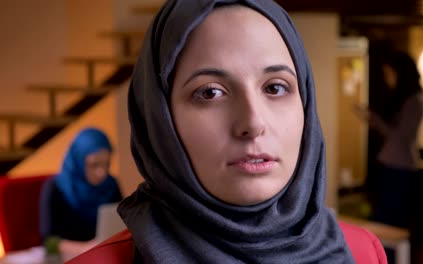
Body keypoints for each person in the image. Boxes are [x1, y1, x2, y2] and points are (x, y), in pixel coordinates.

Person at [67, 1, 386, 263]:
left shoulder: (362, 253)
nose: (252, 123)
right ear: (159, 121)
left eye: (275, 87)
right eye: (210, 93)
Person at [355, 51, 423, 228]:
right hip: (393, 165)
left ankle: (390, 256)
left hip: (400, 167)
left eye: (389, 74)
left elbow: (399, 136)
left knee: (390, 220)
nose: (388, 80)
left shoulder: (414, 102)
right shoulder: (405, 100)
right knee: (385, 217)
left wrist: (375, 120)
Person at [39, 127, 123, 259]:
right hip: (69, 259)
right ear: (78, 160)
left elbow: (120, 224)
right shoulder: (54, 187)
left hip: (103, 257)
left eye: (106, 164)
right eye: (94, 165)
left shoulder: (110, 184)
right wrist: (85, 248)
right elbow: (48, 242)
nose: (101, 172)